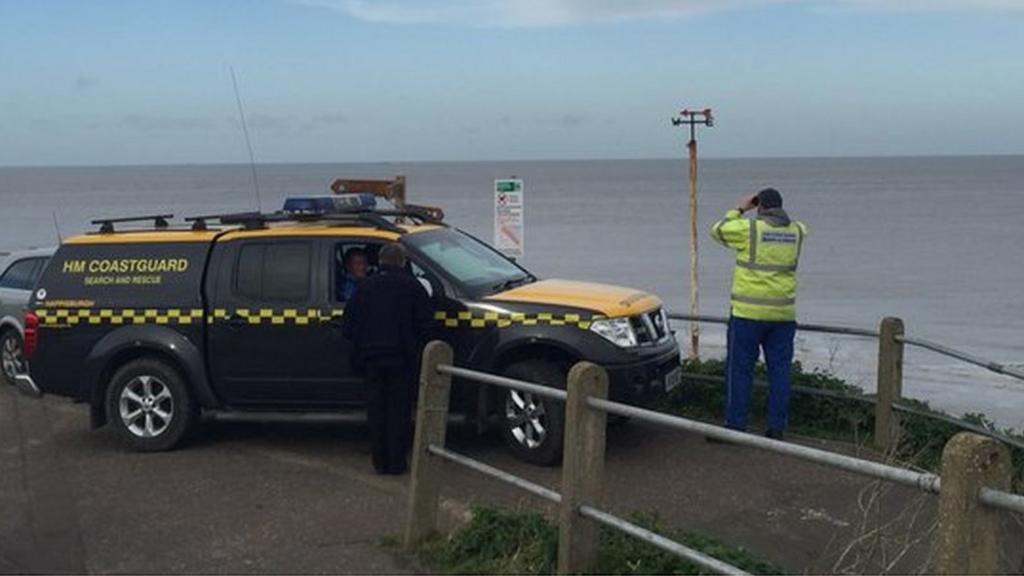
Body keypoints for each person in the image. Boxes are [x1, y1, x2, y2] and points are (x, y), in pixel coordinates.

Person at [709, 187, 808, 440]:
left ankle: (735, 427)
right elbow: (798, 229)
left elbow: (718, 230)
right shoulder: (797, 231)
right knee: (780, 372)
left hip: (747, 314)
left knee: (739, 371)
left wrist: (741, 209)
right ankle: (776, 428)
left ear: (760, 206)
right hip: (783, 316)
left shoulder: (750, 230)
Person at [341, 243, 434, 474]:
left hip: (371, 360)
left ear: (380, 262)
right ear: (402, 262)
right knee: (399, 412)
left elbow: (348, 327)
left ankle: (379, 462)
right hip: (401, 360)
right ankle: (397, 463)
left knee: (376, 411)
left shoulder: (364, 288)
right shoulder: (412, 287)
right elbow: (426, 325)